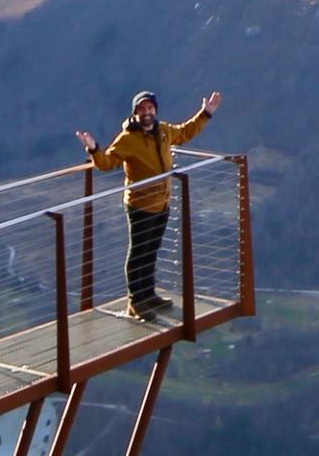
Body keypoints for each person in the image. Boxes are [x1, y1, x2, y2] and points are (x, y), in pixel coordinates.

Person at [77, 89, 220, 324]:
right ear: (135, 113)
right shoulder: (128, 139)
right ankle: (135, 302)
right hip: (140, 204)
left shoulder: (163, 131)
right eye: (142, 109)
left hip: (162, 201)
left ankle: (148, 295)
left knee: (151, 250)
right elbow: (107, 163)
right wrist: (93, 148)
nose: (147, 112)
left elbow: (184, 132)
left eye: (150, 108)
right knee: (138, 253)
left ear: (155, 110)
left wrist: (206, 113)